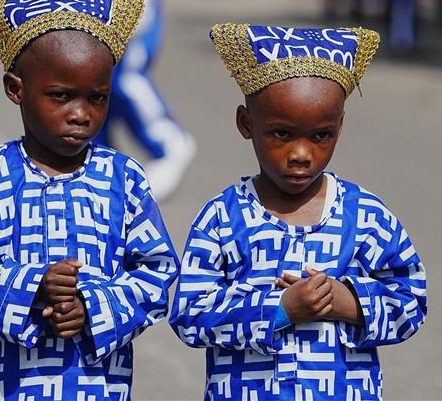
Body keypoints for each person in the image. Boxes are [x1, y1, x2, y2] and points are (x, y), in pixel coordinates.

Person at [0, 0, 180, 400]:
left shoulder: (123, 177)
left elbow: (156, 269)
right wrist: (31, 286)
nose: (81, 113)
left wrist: (94, 309)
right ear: (15, 89)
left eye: (97, 97)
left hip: (93, 385)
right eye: (61, 96)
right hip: (0, 384)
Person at [168, 23, 427, 400]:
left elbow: (412, 301)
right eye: (282, 134)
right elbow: (189, 315)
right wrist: (279, 309)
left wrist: (349, 302)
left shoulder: (367, 216)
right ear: (246, 124)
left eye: (320, 135)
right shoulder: (223, 217)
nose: (301, 155)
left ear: (339, 127)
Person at [71, 0, 197, 202]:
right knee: (90, 152)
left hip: (121, 66)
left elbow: (136, 12)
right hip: (92, 70)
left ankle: (130, 205)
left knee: (172, 147)